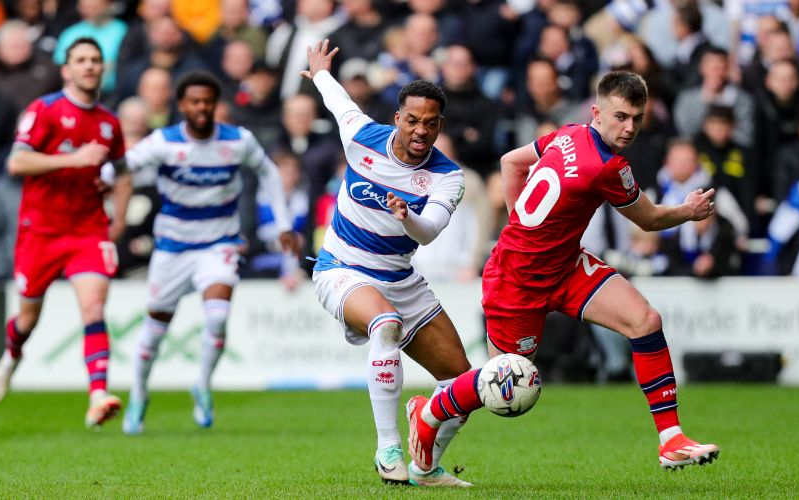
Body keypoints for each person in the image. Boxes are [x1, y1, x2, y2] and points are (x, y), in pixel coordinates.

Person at [406, 70, 721, 474]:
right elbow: (651, 220)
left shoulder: (569, 133)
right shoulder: (608, 166)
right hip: (517, 279)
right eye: (620, 116)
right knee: (505, 383)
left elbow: (511, 161)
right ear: (597, 113)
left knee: (645, 321)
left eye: (637, 118)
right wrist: (689, 211)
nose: (629, 127)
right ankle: (428, 414)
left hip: (566, 265)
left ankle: (671, 439)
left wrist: (519, 221)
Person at [302, 39, 473, 487]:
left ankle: (426, 467)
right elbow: (339, 103)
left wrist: (407, 217)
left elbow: (429, 230)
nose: (420, 131)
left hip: (400, 278)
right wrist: (321, 72)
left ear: (440, 126)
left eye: (430, 123)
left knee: (463, 385)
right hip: (341, 267)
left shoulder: (448, 176)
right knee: (385, 323)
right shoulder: (362, 136)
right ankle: (388, 449)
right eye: (412, 120)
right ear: (397, 118)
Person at [120, 70, 298, 434]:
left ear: (215, 105)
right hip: (172, 248)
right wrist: (97, 174)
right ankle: (139, 394)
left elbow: (269, 173)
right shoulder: (163, 142)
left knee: (217, 316)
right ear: (182, 105)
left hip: (219, 244)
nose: (201, 107)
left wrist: (283, 223)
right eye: (195, 101)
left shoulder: (238, 140)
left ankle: (202, 384)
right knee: (154, 329)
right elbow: (122, 166)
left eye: (207, 101)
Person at [0, 37, 131, 429]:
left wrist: (118, 215)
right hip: (41, 231)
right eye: (81, 60)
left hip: (88, 229)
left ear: (103, 68)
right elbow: (17, 163)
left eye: (95, 60)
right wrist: (72, 160)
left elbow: (123, 172)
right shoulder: (45, 110)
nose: (89, 66)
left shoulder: (109, 122)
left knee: (94, 308)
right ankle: (12, 355)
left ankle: (98, 395)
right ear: (66, 70)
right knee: (27, 318)